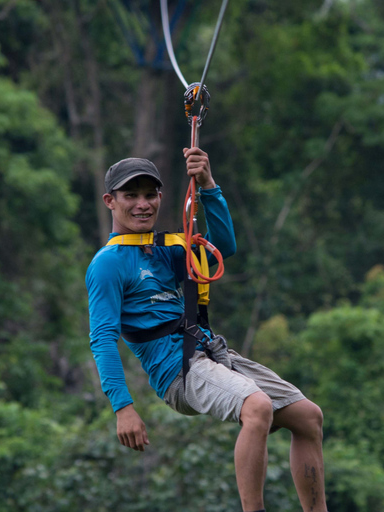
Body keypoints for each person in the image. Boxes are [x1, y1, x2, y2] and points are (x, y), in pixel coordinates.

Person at [86, 147, 328, 512]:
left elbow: (224, 247)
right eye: (130, 196)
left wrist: (208, 184)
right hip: (177, 373)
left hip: (212, 353)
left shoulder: (172, 246)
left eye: (150, 195)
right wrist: (124, 408)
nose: (142, 204)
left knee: (309, 417)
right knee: (257, 407)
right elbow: (102, 338)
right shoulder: (109, 264)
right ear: (110, 201)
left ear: (160, 197)